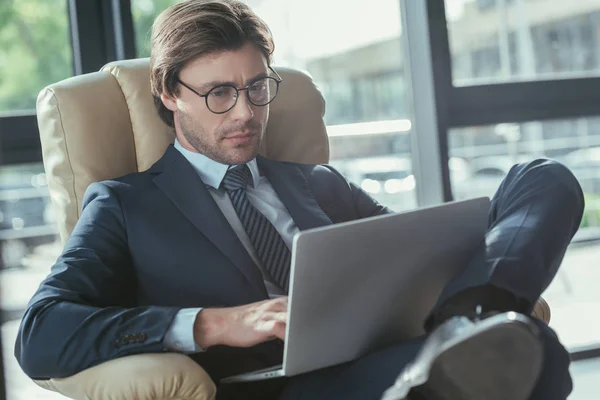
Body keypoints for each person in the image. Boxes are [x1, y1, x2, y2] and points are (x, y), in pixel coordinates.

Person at [15, 1, 584, 399]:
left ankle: (469, 321)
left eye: (257, 88)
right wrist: (211, 325)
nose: (245, 112)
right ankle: (466, 343)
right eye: (218, 94)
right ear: (168, 94)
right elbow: (41, 332)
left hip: (391, 349)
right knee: (537, 356)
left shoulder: (316, 182)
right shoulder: (123, 203)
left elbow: (420, 259)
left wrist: (453, 282)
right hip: (282, 386)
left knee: (544, 175)